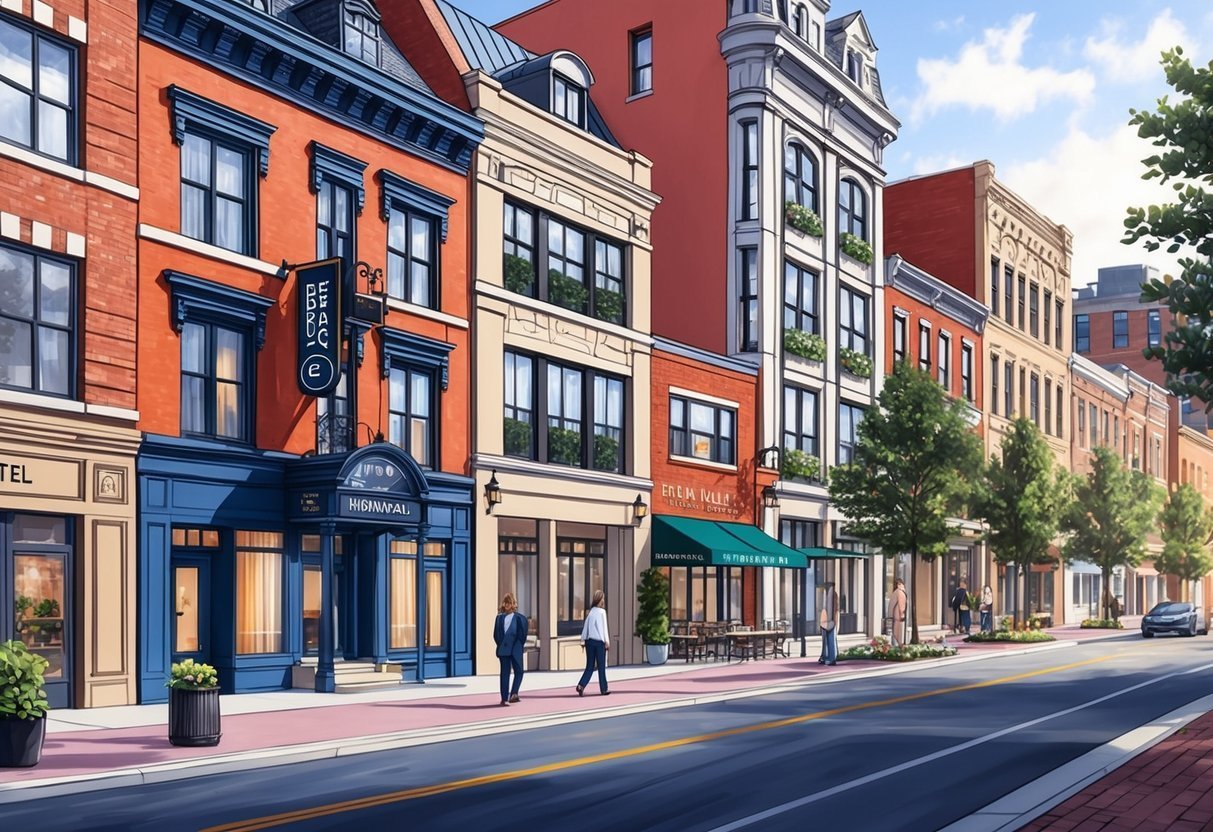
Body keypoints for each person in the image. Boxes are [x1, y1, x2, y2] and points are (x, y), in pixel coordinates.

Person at [493, 593, 528, 706]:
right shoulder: (499, 618)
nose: (507, 605)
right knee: (504, 674)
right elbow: (496, 635)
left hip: (516, 649)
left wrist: (517, 647)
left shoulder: (520, 618)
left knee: (519, 672)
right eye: (506, 603)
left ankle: (514, 693)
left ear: (513, 604)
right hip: (503, 650)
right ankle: (504, 698)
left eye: (510, 603)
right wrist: (501, 645)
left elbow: (522, 635)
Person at [576, 589, 611, 696]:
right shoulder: (602, 612)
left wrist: (583, 639)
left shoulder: (591, 612)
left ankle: (581, 685)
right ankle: (603, 689)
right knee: (601, 667)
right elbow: (604, 628)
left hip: (589, 642)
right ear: (600, 599)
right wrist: (607, 641)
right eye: (603, 598)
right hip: (599, 642)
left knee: (589, 666)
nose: (604, 600)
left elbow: (586, 627)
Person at [818, 582, 839, 666]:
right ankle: (828, 657)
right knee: (830, 640)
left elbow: (826, 609)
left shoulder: (828, 596)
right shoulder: (832, 595)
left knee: (828, 640)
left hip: (827, 621)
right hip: (829, 621)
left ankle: (829, 658)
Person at [889, 578, 908, 648]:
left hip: (893, 616)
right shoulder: (900, 592)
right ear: (899, 584)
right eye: (902, 584)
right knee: (899, 633)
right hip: (898, 616)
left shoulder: (895, 592)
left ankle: (896, 644)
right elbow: (901, 604)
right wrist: (902, 614)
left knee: (894, 632)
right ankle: (900, 646)